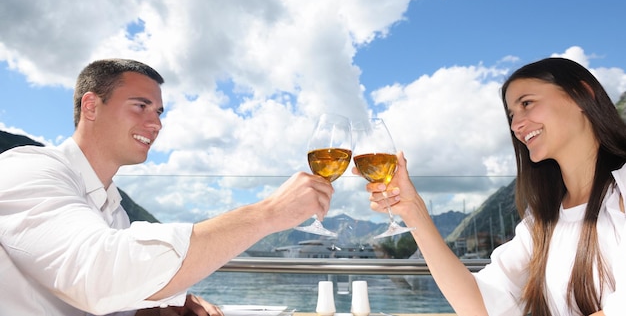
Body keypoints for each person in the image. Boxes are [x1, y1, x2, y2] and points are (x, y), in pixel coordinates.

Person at [0, 59, 334, 316]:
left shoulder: (113, 211)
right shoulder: (28, 168)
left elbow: (97, 296)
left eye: (158, 111)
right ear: (91, 106)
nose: (156, 123)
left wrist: (155, 306)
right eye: (140, 106)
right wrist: (269, 213)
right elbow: (94, 273)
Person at [365, 57, 626, 316]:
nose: (516, 125)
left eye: (527, 103)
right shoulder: (543, 222)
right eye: (512, 115)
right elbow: (479, 305)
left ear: (582, 94)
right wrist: (413, 211)